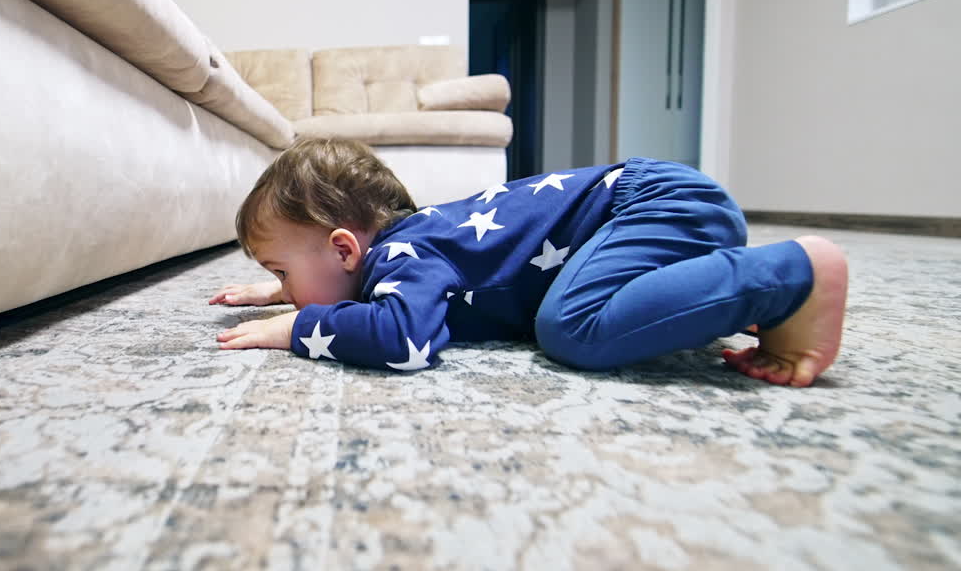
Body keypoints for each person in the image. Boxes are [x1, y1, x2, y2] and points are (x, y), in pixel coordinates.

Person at [210, 137, 847, 387]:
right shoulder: (410, 245)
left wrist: (299, 326)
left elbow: (404, 339)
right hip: (660, 211)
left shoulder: (405, 256)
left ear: (348, 248)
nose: (286, 290)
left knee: (572, 327)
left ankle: (793, 275)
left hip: (652, 204)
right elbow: (350, 290)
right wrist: (289, 292)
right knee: (588, 313)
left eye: (281, 272)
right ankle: (722, 291)